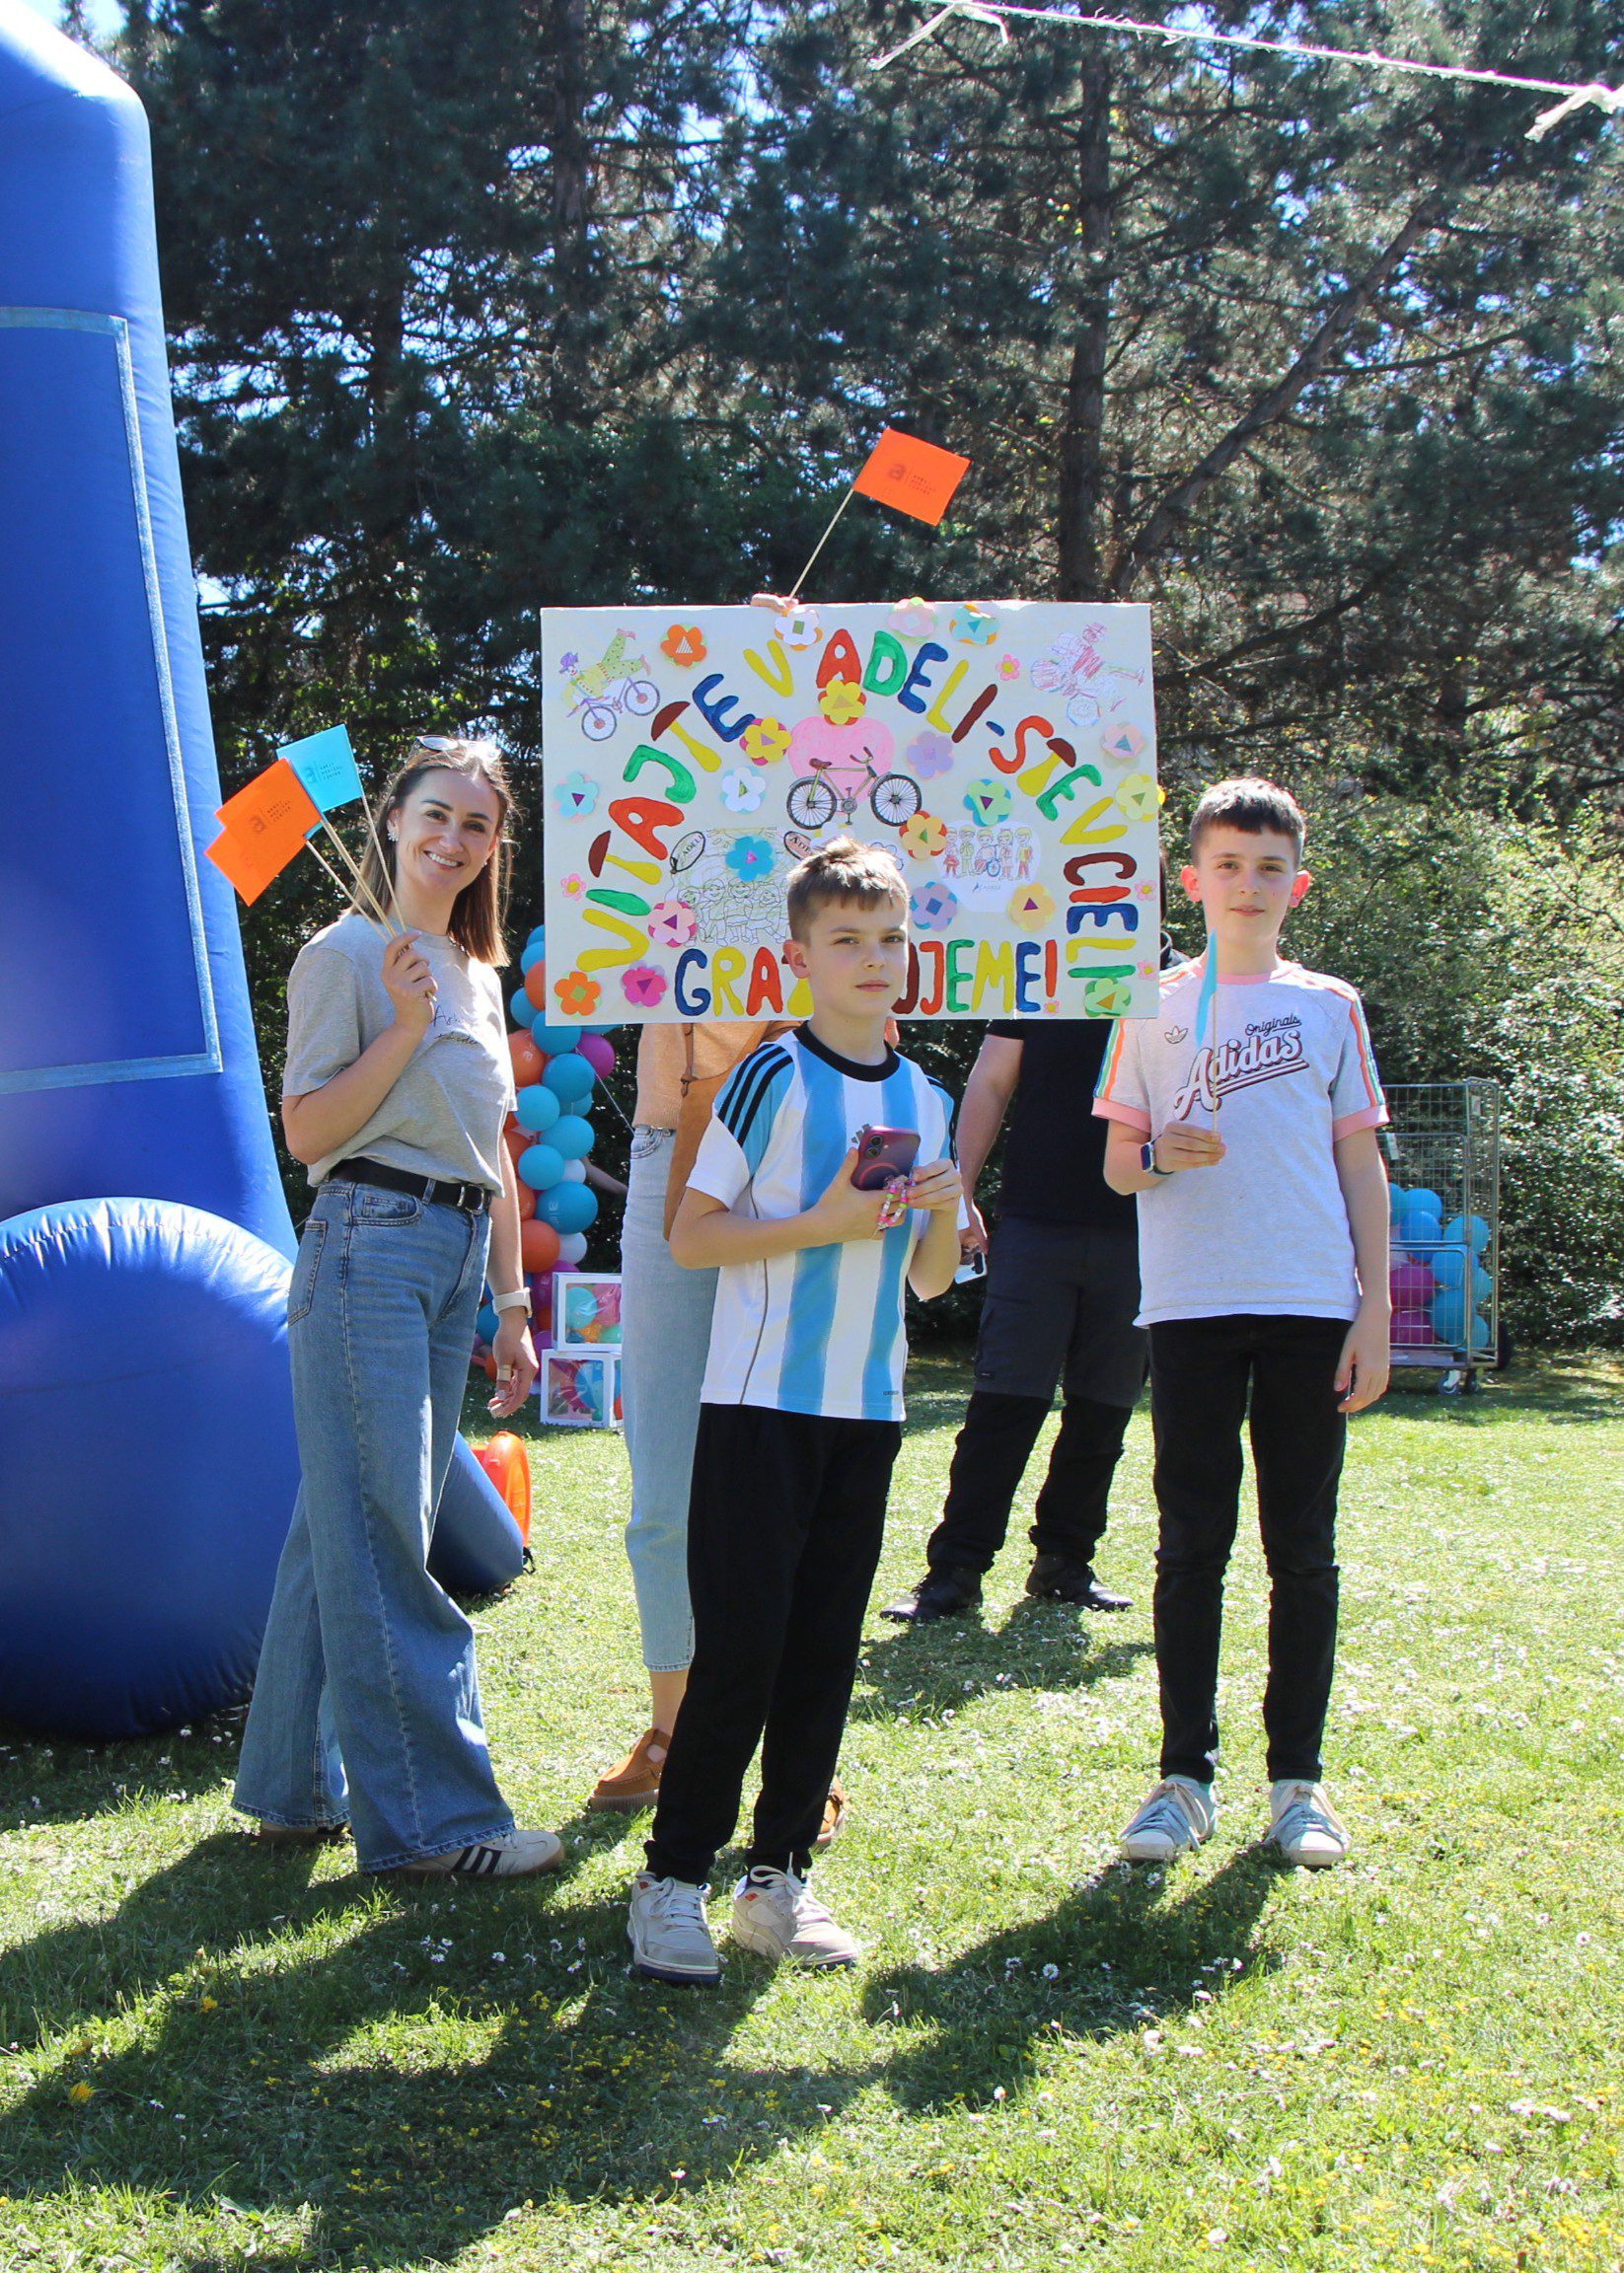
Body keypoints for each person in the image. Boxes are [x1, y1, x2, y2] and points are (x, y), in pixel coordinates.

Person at [626, 840, 962, 1982]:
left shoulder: (923, 1096)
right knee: (740, 1655)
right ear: (798, 956)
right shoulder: (770, 1073)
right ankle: (671, 1881)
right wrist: (821, 1222)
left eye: (890, 938)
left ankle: (777, 1883)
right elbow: (690, 1236)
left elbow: (930, 1281)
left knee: (822, 1655)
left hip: (865, 1412)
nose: (873, 958)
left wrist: (945, 1207)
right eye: (847, 939)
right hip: (758, 1408)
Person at [235, 736, 559, 1879]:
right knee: (381, 1533)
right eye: (435, 814)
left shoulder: (474, 970)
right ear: (389, 818)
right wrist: (405, 1028)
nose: (452, 840)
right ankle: (435, 1825)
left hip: (454, 1251)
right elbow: (310, 1132)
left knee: (346, 1523)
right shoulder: (342, 956)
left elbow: (493, 1150)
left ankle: (289, 1786)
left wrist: (511, 1303)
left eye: (477, 825)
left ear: (493, 846)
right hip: (365, 1242)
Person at [1095, 777, 1390, 1870]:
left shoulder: (1330, 1006)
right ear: (1191, 880)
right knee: (1190, 1547)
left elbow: (1359, 1161)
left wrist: (1372, 1307)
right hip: (1190, 1306)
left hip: (1312, 1305)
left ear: (1296, 885)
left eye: (1269, 867)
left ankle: (1296, 1785)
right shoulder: (1149, 1004)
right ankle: (1184, 1780)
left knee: (1301, 1553)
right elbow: (1116, 1166)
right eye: (1227, 865)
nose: (1247, 884)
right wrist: (1158, 1152)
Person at [882, 1005, 1144, 1624]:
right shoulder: (1043, 980)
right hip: (1036, 1222)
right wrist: (963, 1195)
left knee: (1104, 1407)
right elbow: (991, 1081)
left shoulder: (1187, 988)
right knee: (1004, 1402)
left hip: (1146, 1227)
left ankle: (1065, 1562)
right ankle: (955, 1571)